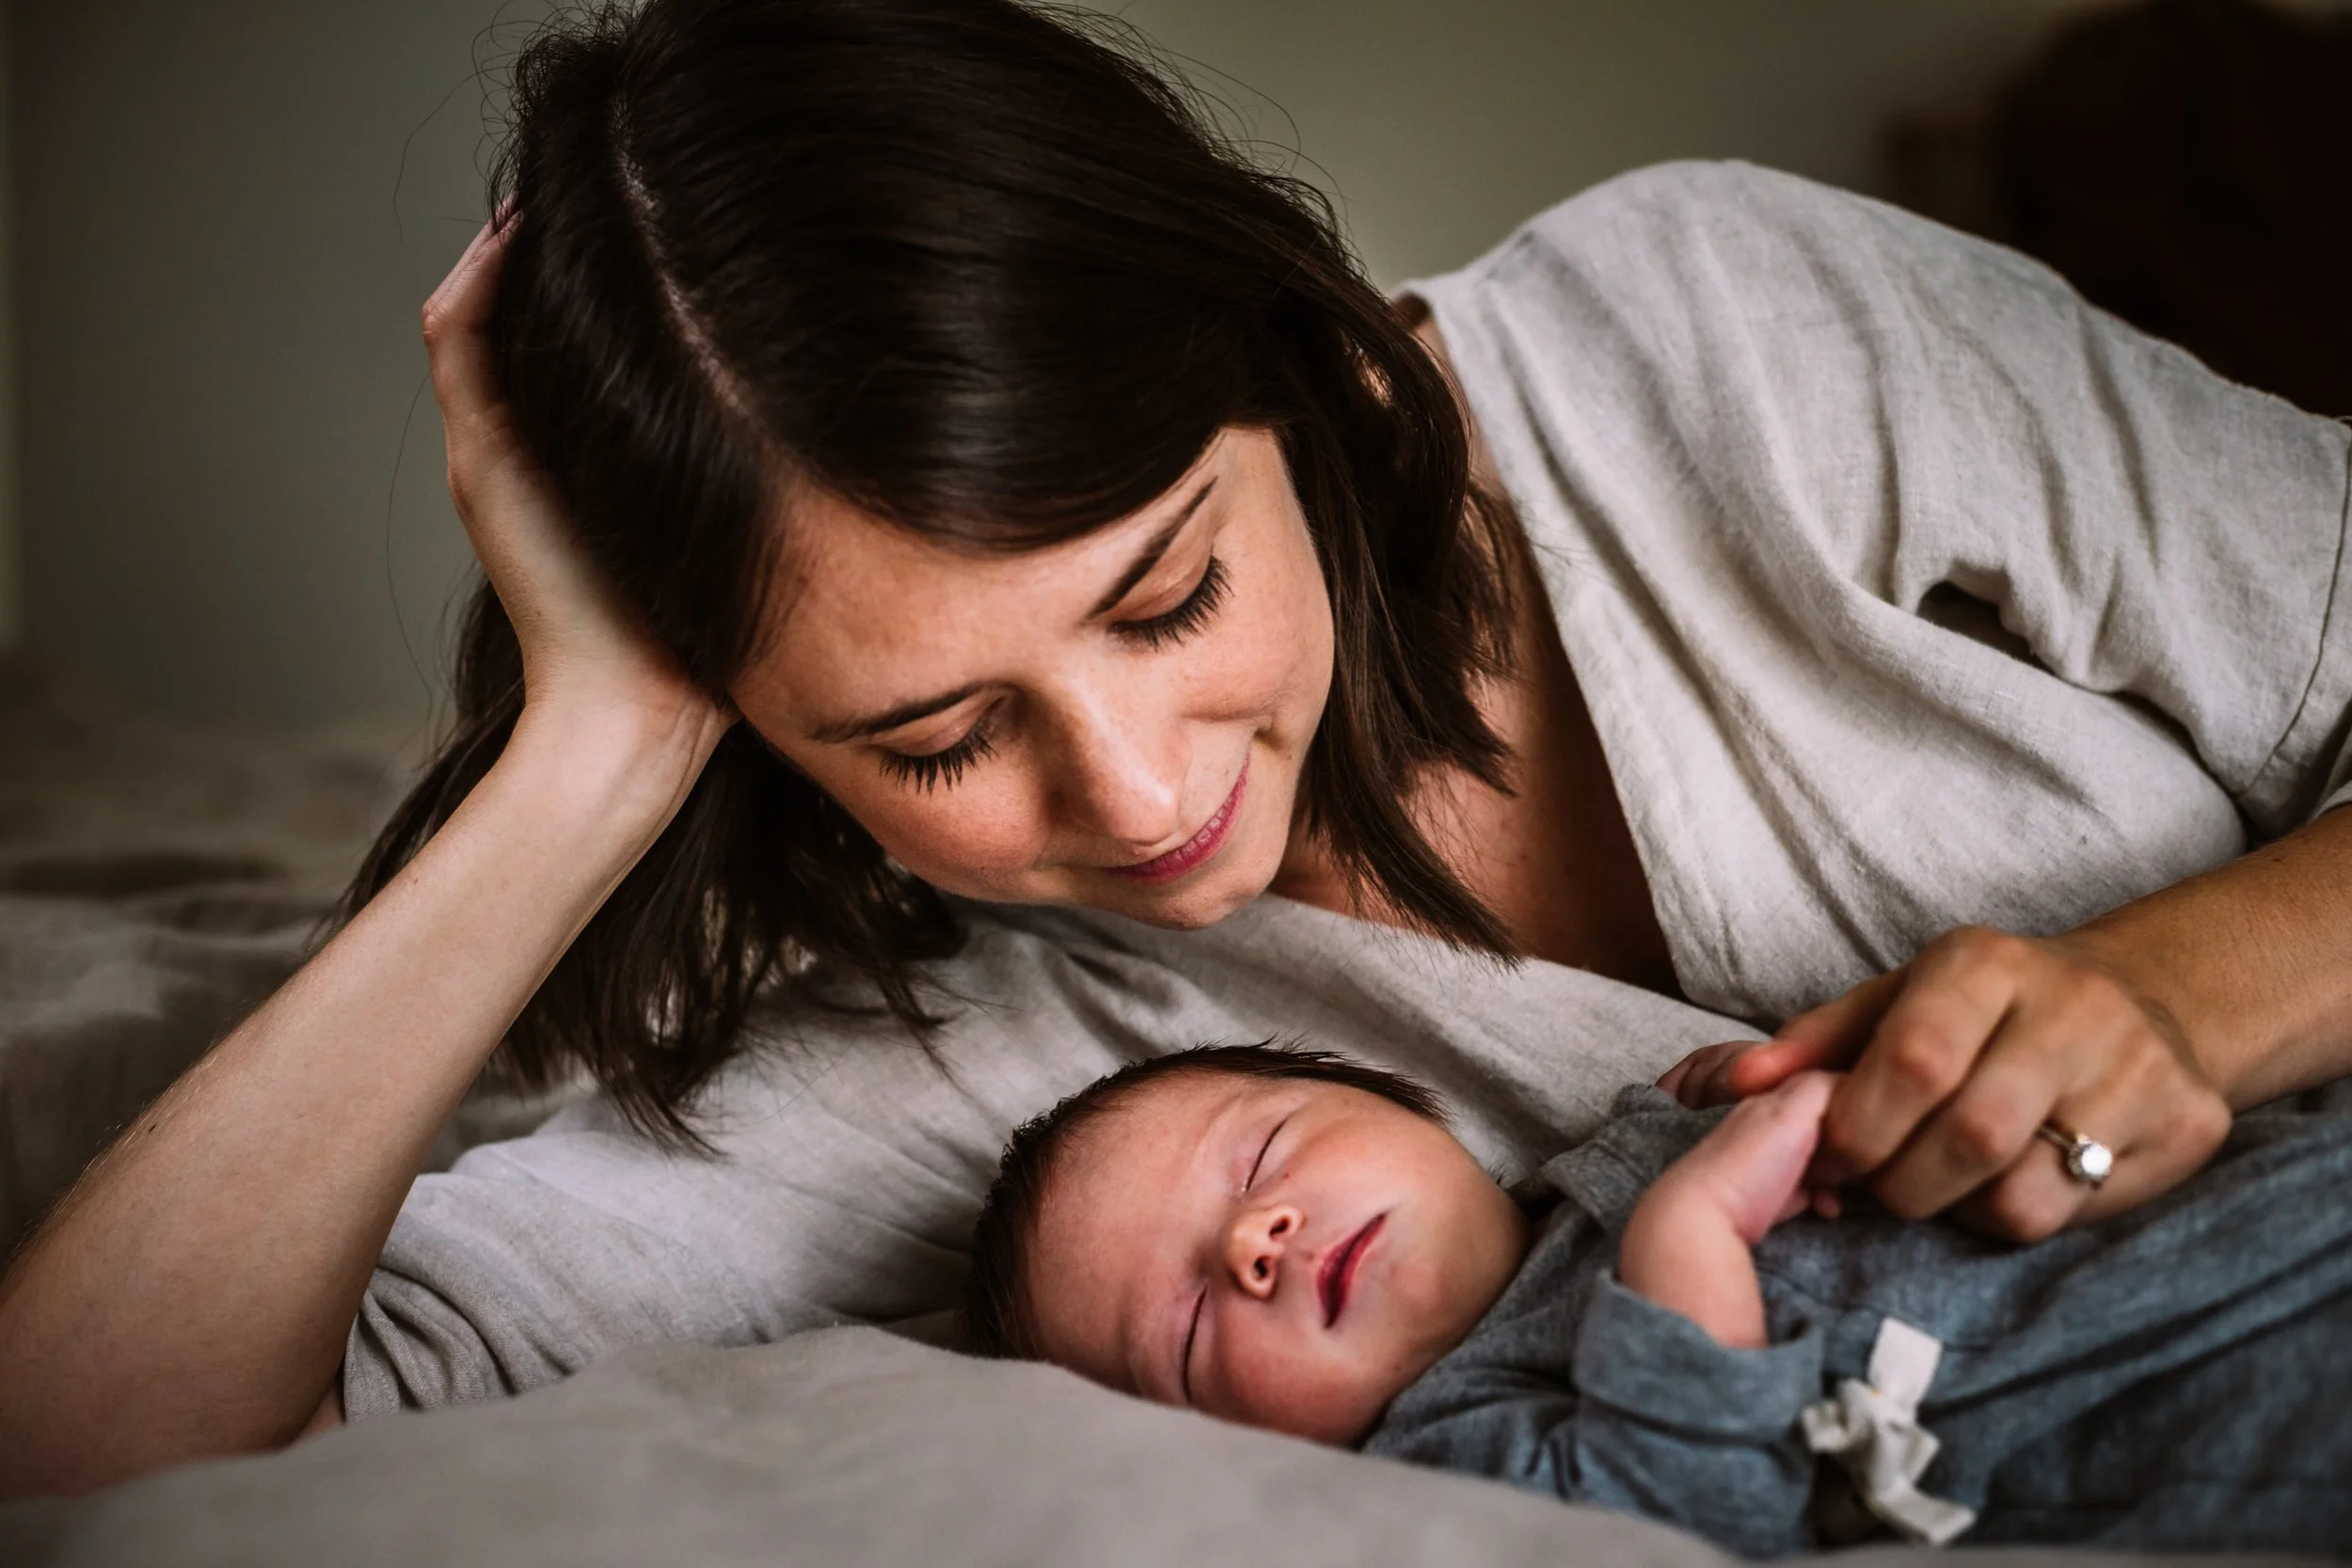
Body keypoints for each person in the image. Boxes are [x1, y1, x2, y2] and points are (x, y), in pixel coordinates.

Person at [4, 0, 2351, 1500]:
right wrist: (587, 747)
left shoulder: (1729, 337)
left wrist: (2189, 981)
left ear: (1304, 371)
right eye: (930, 733)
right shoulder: (933, 1044)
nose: (1132, 797)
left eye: (1163, 591)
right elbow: (100, 1450)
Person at [961, 1042, 2352, 1557]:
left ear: (1405, 1103)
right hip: (2224, 1419)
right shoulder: (1454, 1458)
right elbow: (1687, 1516)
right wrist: (1691, 1224)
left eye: (1262, 1154)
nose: (1254, 1242)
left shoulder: (1626, 1139)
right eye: (1194, 1328)